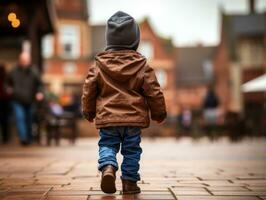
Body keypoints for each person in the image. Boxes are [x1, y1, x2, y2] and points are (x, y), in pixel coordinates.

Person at [82, 11, 167, 194]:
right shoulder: (142, 64)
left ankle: (108, 167)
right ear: (134, 40)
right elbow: (153, 90)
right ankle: (129, 183)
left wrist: (88, 111)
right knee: (132, 151)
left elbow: (89, 89)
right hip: (133, 120)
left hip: (108, 118)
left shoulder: (98, 64)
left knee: (107, 145)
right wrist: (159, 113)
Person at [7, 52, 43, 146]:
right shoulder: (13, 71)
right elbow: (7, 83)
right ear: (20, 60)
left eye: (26, 60)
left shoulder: (34, 71)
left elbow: (40, 85)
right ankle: (23, 138)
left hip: (30, 100)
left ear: (29, 60)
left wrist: (39, 92)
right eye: (23, 60)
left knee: (29, 120)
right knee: (20, 118)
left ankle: (29, 138)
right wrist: (9, 89)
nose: (24, 62)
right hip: (17, 99)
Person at [0, 64, 10, 144]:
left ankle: (5, 138)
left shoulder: (6, 79)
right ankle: (5, 138)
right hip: (5, 101)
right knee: (5, 120)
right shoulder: (6, 78)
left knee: (4, 120)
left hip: (4, 101)